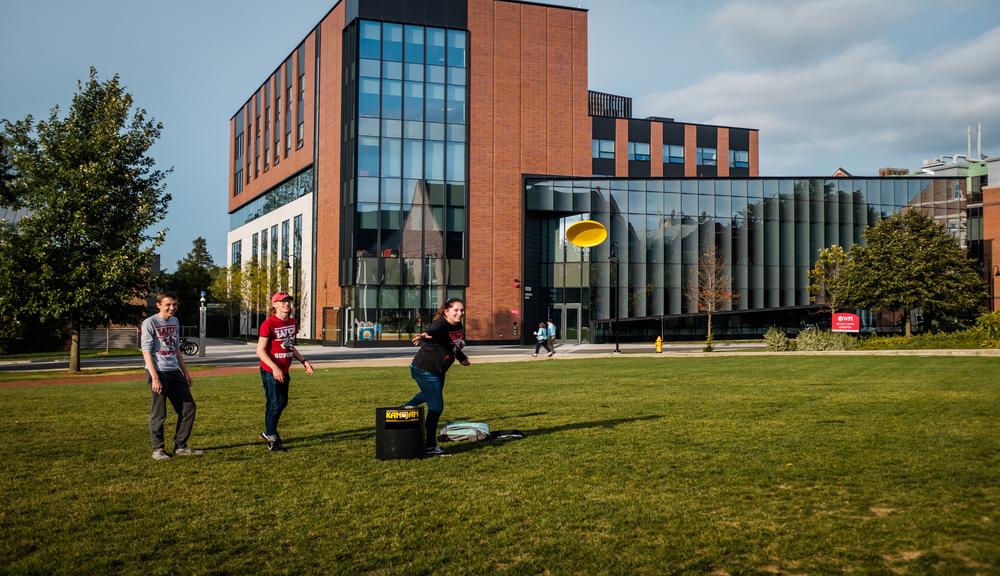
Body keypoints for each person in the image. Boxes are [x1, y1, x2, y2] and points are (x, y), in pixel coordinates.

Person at [403, 298, 471, 456]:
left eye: (462, 310)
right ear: (446, 311)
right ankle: (430, 445)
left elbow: (452, 345)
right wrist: (424, 335)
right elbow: (432, 331)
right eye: (456, 310)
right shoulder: (441, 324)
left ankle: (405, 408)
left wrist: (461, 357)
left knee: (428, 394)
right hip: (425, 369)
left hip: (438, 370)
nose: (460, 313)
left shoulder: (458, 326)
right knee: (436, 407)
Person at [141, 290, 201, 461]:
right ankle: (158, 449)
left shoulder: (175, 321)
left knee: (188, 408)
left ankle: (181, 446)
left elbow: (176, 349)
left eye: (174, 304)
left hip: (174, 371)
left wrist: (185, 372)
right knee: (159, 413)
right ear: (158, 305)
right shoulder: (150, 322)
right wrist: (155, 377)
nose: (172, 308)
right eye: (168, 305)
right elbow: (146, 351)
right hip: (158, 371)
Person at [257, 291, 314, 452]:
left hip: (284, 369)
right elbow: (260, 351)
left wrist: (304, 361)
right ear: (274, 305)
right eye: (282, 301)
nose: (286, 304)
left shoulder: (292, 322)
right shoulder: (268, 324)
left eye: (288, 301)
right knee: (275, 403)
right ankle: (272, 437)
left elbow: (290, 346)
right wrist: (274, 368)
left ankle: (268, 432)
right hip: (270, 370)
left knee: (282, 403)